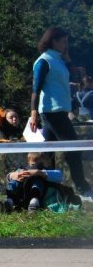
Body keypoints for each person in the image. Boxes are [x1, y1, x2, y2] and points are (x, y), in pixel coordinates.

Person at [29, 27, 92, 201]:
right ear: (52, 41)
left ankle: (47, 189)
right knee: (74, 149)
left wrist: (68, 58)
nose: (66, 45)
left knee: (47, 153)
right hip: (52, 112)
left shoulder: (59, 60)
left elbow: (75, 77)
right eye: (63, 41)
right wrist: (33, 114)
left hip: (59, 112)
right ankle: (82, 188)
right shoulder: (43, 61)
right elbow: (36, 89)